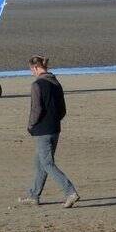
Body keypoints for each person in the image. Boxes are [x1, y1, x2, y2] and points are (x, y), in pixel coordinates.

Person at [19, 55, 80, 208]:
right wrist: (54, 120)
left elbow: (36, 109)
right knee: (40, 163)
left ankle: (70, 192)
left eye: (31, 70)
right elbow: (62, 110)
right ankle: (34, 195)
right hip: (54, 128)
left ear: (35, 68)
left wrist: (31, 125)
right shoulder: (56, 82)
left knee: (47, 163)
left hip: (43, 129)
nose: (32, 73)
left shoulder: (37, 84)